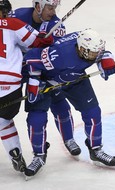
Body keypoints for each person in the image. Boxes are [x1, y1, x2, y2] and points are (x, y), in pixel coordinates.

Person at [22, 29, 115, 177]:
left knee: (93, 112)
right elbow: (31, 58)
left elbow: (101, 51)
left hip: (75, 78)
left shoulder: (89, 43)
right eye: (93, 54)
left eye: (96, 53)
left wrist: (106, 58)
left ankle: (96, 150)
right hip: (47, 81)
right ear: (81, 49)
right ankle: (39, 155)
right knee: (36, 119)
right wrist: (35, 81)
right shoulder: (59, 55)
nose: (95, 56)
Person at [11, 0, 81, 156]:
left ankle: (69, 139)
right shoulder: (18, 15)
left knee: (60, 104)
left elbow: (57, 51)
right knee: (7, 103)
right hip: (18, 68)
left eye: (55, 7)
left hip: (42, 70)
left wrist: (48, 44)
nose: (53, 12)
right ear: (38, 6)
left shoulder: (56, 24)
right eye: (50, 7)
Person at [0, 0, 53, 173]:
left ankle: (13, 151)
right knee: (4, 120)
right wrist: (45, 36)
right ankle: (15, 153)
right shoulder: (14, 23)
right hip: (11, 86)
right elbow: (37, 43)